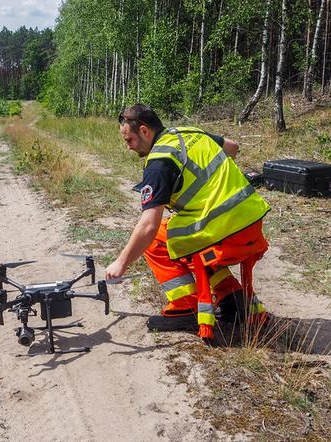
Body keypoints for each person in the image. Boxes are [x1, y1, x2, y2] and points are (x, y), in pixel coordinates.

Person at [104, 104, 271, 334]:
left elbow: (148, 226)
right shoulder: (189, 133)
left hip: (223, 229)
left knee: (156, 239)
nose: (128, 147)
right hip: (251, 221)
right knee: (191, 239)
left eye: (129, 140)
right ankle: (232, 297)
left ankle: (185, 309)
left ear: (144, 131)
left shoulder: (159, 162)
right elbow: (233, 147)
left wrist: (121, 263)